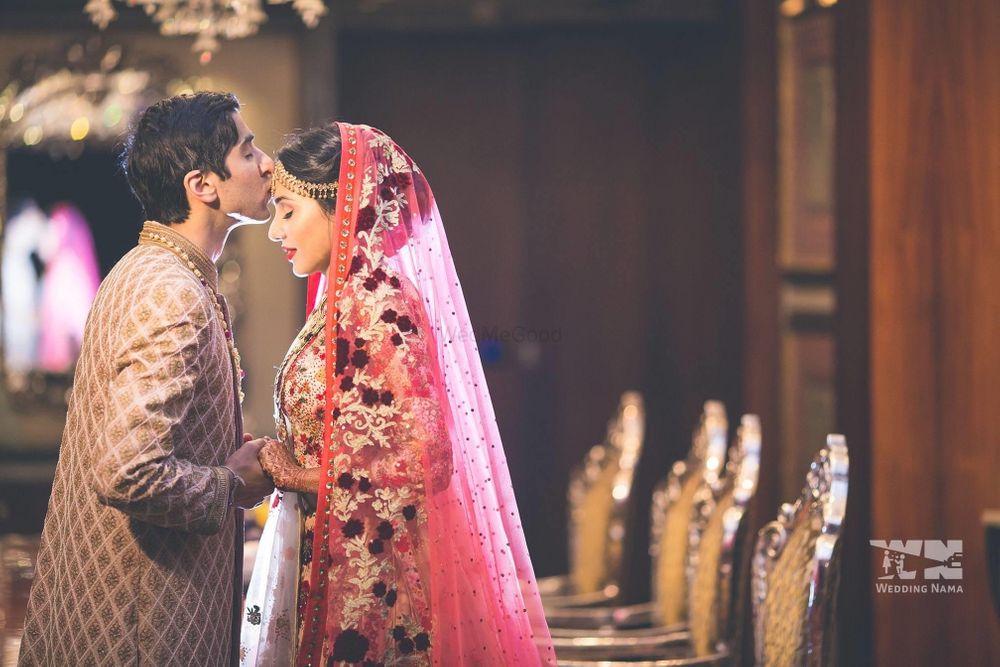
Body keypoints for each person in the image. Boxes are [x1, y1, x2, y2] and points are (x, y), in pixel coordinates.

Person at [240, 123, 555, 665]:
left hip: (372, 586)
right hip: (333, 563)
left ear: (343, 207)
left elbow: (428, 459)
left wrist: (304, 476)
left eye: (288, 211)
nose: (275, 231)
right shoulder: (342, 300)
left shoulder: (380, 303)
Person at [18, 91, 275, 667]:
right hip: (147, 625)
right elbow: (129, 471)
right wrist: (232, 485)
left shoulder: (145, 270)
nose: (267, 165)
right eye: (248, 149)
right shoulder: (172, 292)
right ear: (202, 184)